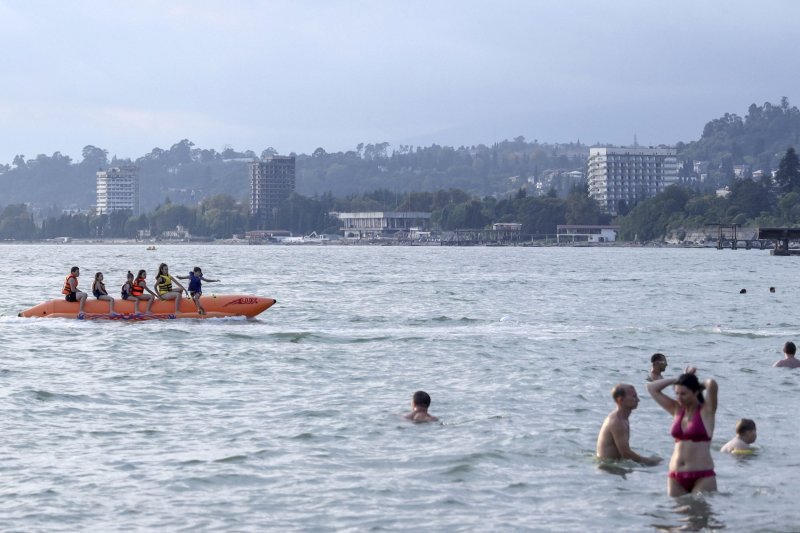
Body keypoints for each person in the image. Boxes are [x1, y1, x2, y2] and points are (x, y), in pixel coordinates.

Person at [647, 367, 718, 496]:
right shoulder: (676, 409)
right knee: (675, 515)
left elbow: (711, 383)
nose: (679, 397)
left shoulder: (706, 411)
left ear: (696, 392)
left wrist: (697, 383)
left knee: (698, 514)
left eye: (684, 394)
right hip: (675, 476)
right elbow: (652, 388)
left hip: (702, 476)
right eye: (677, 393)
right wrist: (679, 378)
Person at [596, 384, 661, 466]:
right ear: (621, 400)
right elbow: (626, 454)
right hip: (608, 468)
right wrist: (650, 462)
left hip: (613, 465)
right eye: (634, 397)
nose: (638, 400)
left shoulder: (623, 419)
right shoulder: (617, 421)